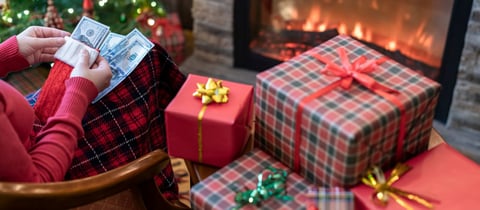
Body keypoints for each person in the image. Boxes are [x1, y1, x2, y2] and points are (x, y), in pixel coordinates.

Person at [1, 26, 184, 200]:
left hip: (24, 127)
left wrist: (5, 55)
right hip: (51, 174)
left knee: (147, 58)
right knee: (150, 58)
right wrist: (79, 93)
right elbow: (33, 190)